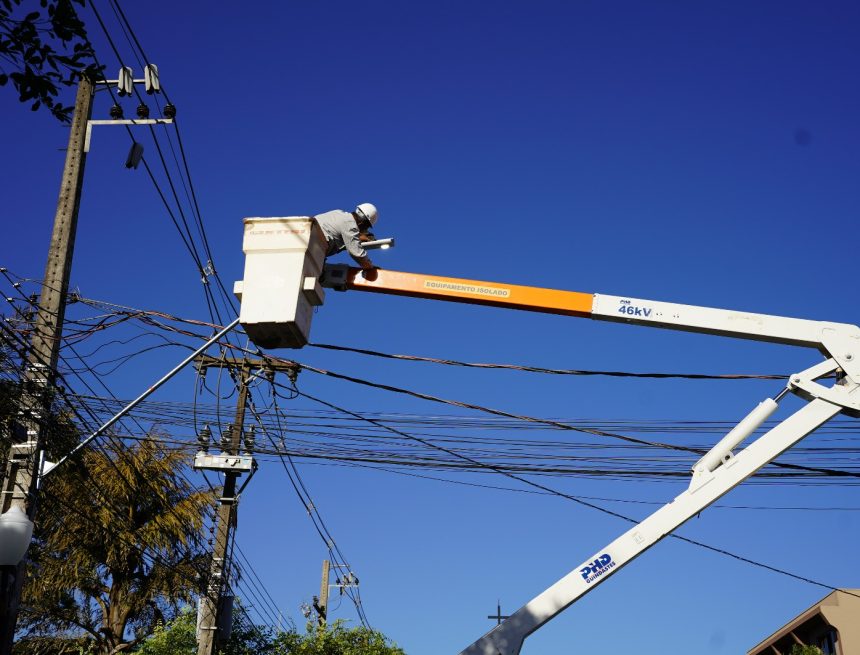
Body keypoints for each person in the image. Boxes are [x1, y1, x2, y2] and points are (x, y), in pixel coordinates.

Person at [312, 203, 378, 270]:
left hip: (306, 238)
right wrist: (370, 267)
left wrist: (363, 238)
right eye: (366, 227)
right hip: (314, 249)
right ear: (362, 222)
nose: (365, 230)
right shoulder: (350, 225)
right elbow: (357, 254)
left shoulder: (338, 213)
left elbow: (340, 231)